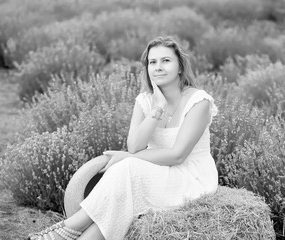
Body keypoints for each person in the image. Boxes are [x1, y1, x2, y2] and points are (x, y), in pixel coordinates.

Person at [27, 36, 219, 240]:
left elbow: (177, 156)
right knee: (121, 198)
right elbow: (135, 146)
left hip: (191, 176)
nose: (158, 67)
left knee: (127, 168)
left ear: (180, 66)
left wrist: (128, 158)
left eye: (166, 61)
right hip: (159, 171)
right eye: (152, 62)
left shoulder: (199, 101)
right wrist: (158, 109)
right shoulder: (145, 100)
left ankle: (65, 229)